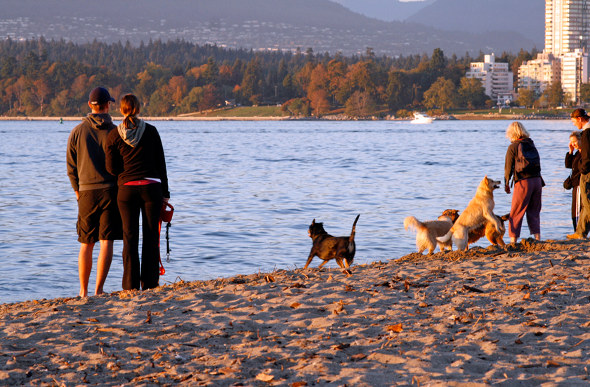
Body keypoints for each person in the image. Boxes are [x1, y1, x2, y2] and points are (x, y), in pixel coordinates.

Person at [106, 94, 170, 291]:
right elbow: (161, 163)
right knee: (151, 236)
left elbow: (110, 168)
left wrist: (124, 174)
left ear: (122, 110)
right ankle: (150, 284)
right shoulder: (151, 131)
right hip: (152, 188)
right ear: (139, 108)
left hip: (127, 190)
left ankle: (129, 285)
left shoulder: (114, 135)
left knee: (129, 237)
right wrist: (166, 192)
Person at [66, 87, 121, 297]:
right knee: (106, 241)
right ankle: (99, 290)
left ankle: (83, 291)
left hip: (86, 192)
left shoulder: (77, 131)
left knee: (86, 243)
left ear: (90, 105)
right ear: (108, 105)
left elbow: (70, 166)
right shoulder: (115, 132)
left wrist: (77, 191)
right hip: (110, 191)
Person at [504, 121, 543, 244]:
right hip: (537, 181)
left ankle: (513, 240)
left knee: (516, 211)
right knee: (534, 211)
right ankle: (537, 238)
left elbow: (508, 167)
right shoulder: (531, 144)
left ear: (511, 133)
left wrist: (506, 182)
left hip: (523, 182)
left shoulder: (513, 146)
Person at [568, 108, 590, 239]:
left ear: (580, 119)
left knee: (587, 203)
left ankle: (581, 232)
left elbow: (587, 155)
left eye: (574, 121)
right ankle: (580, 232)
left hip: (587, 172)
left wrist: (583, 168)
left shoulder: (587, 134)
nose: (574, 124)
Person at [565, 131, 582, 230]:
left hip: (579, 184)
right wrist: (570, 152)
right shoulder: (577, 153)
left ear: (581, 140)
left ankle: (578, 231)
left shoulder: (584, 153)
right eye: (571, 142)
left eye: (574, 142)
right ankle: (579, 230)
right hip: (576, 184)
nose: (573, 144)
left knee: (577, 209)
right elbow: (568, 165)